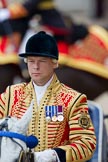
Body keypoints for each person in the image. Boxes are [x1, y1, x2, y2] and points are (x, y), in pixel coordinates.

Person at [0, 31, 96, 162]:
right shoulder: (11, 94)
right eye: (31, 61)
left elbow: (86, 144)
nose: (36, 66)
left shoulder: (73, 99)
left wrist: (52, 155)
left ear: (55, 63)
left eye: (42, 61)